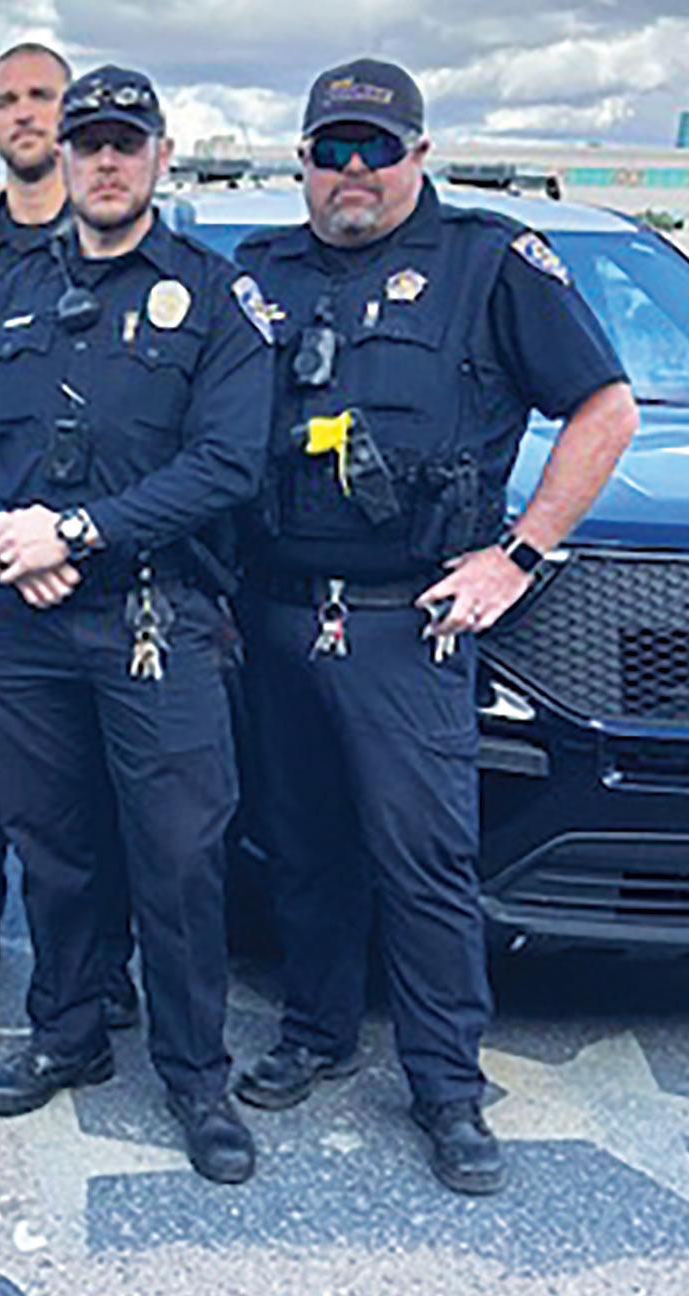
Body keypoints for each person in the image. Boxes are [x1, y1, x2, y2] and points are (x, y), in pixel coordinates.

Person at [230, 57, 637, 1196]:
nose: (352, 171)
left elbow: (605, 407)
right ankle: (314, 1033)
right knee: (301, 848)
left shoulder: (489, 262)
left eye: (376, 147)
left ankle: (448, 1087)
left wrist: (518, 554)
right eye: (331, 149)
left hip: (411, 624)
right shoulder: (259, 273)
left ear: (419, 155)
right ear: (302, 163)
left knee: (424, 865)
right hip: (275, 612)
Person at [0, 65, 273, 1184]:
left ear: (162, 156)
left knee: (176, 860)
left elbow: (226, 465)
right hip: (20, 623)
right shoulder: (4, 294)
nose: (104, 162)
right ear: (60, 159)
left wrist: (72, 532)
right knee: (54, 851)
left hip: (154, 621)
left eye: (126, 142)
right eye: (87, 143)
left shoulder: (215, 298)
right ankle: (66, 1030)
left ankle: (195, 1077)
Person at [0, 44, 137, 1033]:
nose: (26, 114)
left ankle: (105, 962)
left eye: (43, 96)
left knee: (102, 764)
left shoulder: (122, 238)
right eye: (7, 100)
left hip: (101, 551)